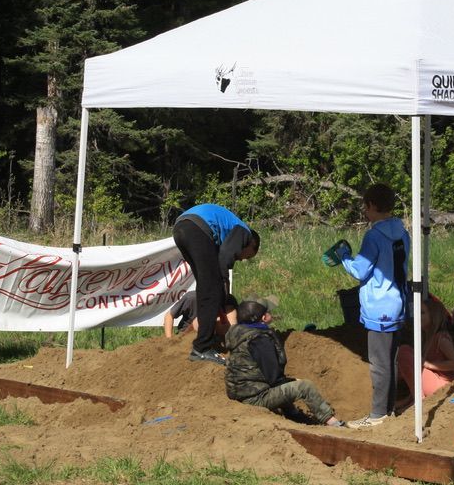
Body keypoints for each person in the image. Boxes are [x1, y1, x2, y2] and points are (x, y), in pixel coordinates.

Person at [332, 183, 410, 429]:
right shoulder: (402, 232)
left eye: (365, 207)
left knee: (379, 364)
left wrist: (344, 258)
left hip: (379, 307)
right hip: (398, 303)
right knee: (391, 360)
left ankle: (377, 415)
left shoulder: (374, 236)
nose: (364, 211)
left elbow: (360, 270)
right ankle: (389, 409)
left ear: (373, 206)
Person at [224, 299, 344, 427]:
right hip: (255, 398)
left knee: (284, 386)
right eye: (268, 312)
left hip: (242, 393)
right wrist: (293, 381)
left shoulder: (240, 335)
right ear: (264, 318)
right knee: (305, 386)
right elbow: (273, 377)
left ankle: (294, 415)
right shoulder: (259, 340)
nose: (271, 313)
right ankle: (333, 423)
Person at [172, 203, 260, 365]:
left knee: (205, 287)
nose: (242, 259)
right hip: (197, 227)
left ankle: (206, 339)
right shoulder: (245, 232)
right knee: (212, 289)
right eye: (248, 256)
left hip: (181, 226)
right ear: (252, 244)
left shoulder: (228, 231)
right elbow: (225, 257)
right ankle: (202, 348)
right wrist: (224, 288)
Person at [395, 297, 454, 407]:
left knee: (404, 351)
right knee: (407, 351)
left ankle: (417, 399)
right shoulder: (427, 337)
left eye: (422, 313)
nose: (417, 316)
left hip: (440, 385)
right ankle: (411, 399)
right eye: (417, 312)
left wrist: (428, 365)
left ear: (433, 316)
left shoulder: (441, 339)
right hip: (433, 381)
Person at [162, 291, 237, 339]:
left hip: (214, 335)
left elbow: (234, 324)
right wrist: (169, 339)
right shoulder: (192, 298)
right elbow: (169, 316)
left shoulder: (229, 300)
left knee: (230, 315)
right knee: (200, 320)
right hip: (186, 335)